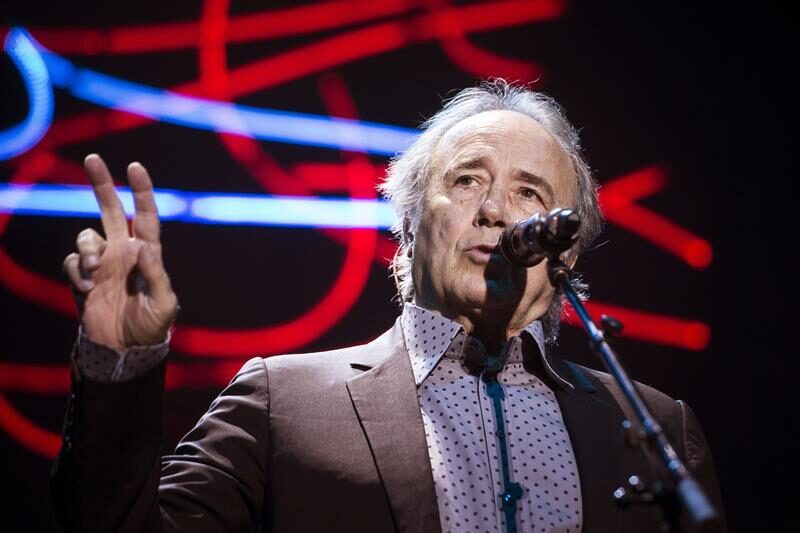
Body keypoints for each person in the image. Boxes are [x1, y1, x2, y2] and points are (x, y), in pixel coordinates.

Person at [50, 79, 725, 532]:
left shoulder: (659, 429)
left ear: (566, 249)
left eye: (529, 193)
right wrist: (120, 361)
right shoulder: (280, 403)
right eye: (468, 180)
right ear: (406, 231)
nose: (495, 210)